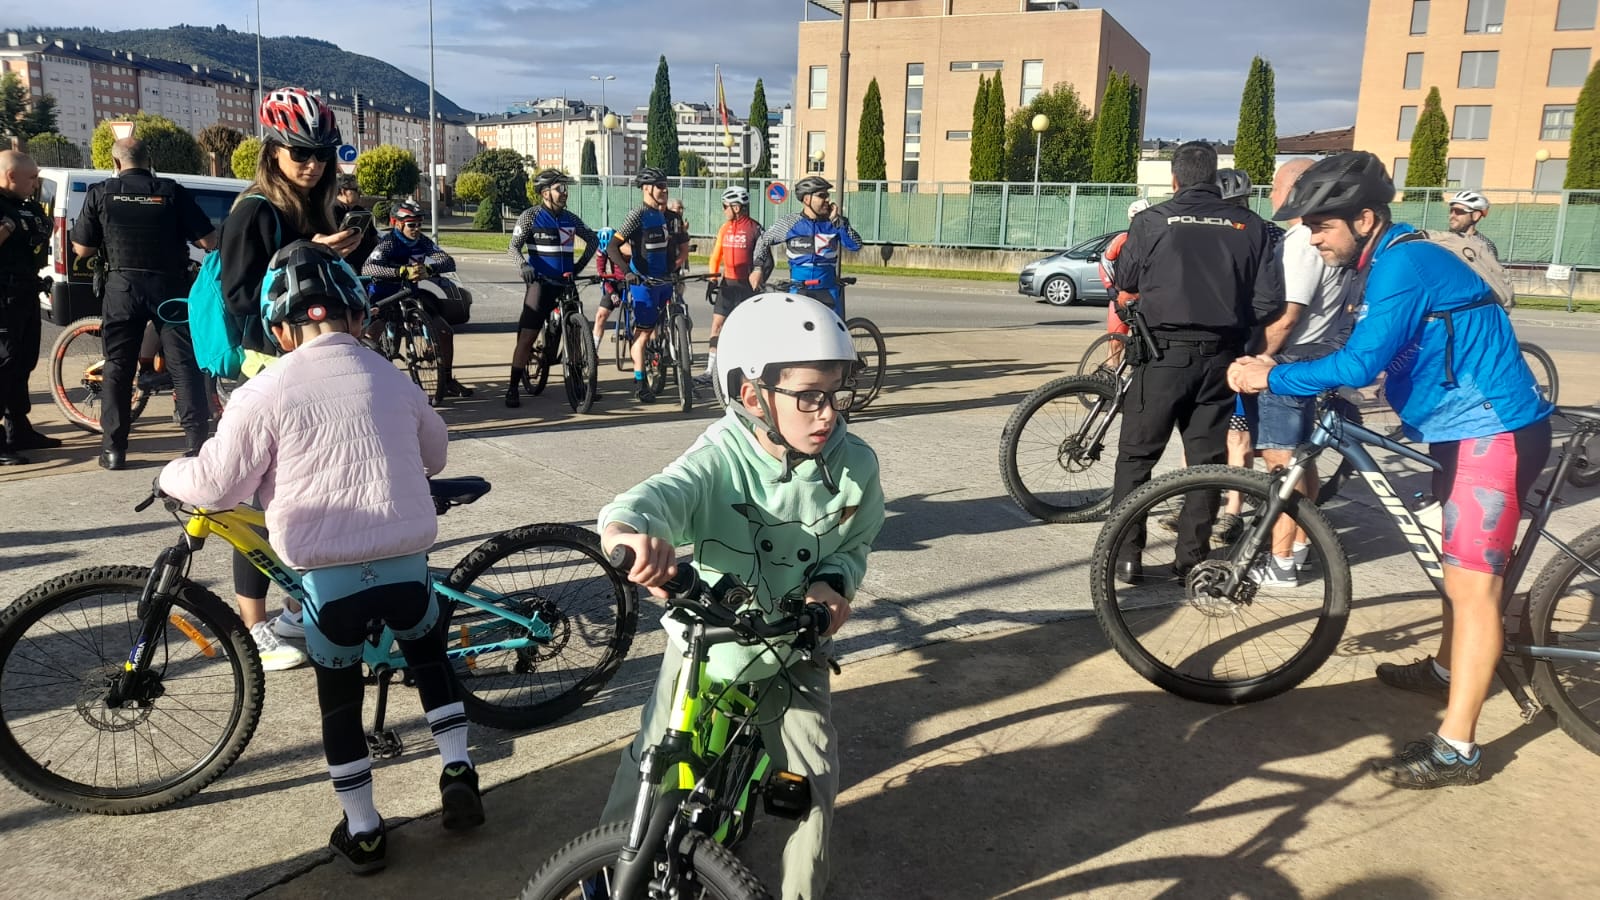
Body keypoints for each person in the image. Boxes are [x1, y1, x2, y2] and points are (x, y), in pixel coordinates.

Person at [1229, 151, 1553, 789]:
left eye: (1321, 225)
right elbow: (1390, 352)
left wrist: (1274, 374)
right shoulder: (1388, 258)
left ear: (1366, 218)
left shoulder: (1403, 262)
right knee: (1455, 570)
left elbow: (1356, 364)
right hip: (1464, 428)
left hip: (1492, 435)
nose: (1311, 236)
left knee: (1473, 588)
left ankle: (1458, 750)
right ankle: (1442, 670)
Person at [157, 240, 481, 873]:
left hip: (329, 585)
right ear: (358, 318)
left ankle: (363, 827)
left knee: (340, 700)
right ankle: (458, 769)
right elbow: (436, 457)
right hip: (406, 565)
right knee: (428, 658)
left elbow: (218, 485)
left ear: (280, 330)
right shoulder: (391, 375)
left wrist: (172, 472)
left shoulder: (267, 389)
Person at [597, 292, 884, 900]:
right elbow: (662, 494)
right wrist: (627, 532)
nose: (828, 413)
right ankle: (607, 875)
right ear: (752, 396)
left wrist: (834, 585)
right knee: (651, 762)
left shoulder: (855, 464)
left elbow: (851, 544)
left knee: (811, 781)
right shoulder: (721, 457)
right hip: (705, 645)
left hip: (791, 650)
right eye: (808, 396)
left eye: (835, 393)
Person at [219, 86, 361, 671]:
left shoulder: (310, 208)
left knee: (303, 493)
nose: (311, 164)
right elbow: (240, 298)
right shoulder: (256, 210)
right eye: (298, 152)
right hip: (260, 369)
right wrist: (305, 253)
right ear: (272, 151)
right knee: (254, 500)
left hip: (307, 367)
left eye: (321, 154)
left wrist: (340, 248)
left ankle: (294, 608)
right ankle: (253, 630)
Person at [1109, 141, 1284, 583]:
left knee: (1136, 457)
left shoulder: (1152, 221)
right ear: (1214, 178)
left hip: (1162, 354)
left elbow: (1126, 278)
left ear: (1174, 179)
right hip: (1222, 357)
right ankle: (1191, 557)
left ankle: (1126, 557)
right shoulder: (1251, 225)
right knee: (1205, 462)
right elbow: (1268, 301)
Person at [68, 138, 217, 469]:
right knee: (183, 365)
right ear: (149, 161)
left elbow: (82, 249)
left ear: (116, 162)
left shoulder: (100, 193)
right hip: (170, 288)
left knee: (118, 367)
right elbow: (208, 241)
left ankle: (113, 450)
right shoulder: (172, 191)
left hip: (122, 290)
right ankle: (196, 446)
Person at [1241, 157, 1353, 585]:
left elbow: (1288, 315)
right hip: (1315, 354)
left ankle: (1281, 560)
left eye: (1274, 185)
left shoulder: (1303, 240)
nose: (1270, 194)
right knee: (1302, 458)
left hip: (1289, 360)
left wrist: (1262, 361)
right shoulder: (1323, 237)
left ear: (1294, 189)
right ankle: (1304, 545)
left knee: (1280, 463)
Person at [503, 168, 598, 408]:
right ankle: (513, 387)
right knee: (528, 336)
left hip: (566, 283)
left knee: (576, 334)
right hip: (541, 284)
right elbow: (513, 248)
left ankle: (581, 385)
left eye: (565, 188)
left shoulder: (570, 218)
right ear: (545, 193)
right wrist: (524, 266)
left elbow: (593, 240)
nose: (564, 193)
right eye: (559, 189)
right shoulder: (531, 216)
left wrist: (578, 266)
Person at [362, 201, 471, 403]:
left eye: (420, 224)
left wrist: (429, 269)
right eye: (412, 225)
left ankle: (446, 380)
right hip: (385, 295)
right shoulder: (388, 243)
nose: (417, 229)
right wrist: (399, 271)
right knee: (370, 337)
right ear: (397, 224)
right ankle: (369, 385)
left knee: (445, 331)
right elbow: (368, 268)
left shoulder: (423, 241)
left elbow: (448, 261)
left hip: (411, 294)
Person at [606, 167, 688, 404]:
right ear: (646, 189)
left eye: (665, 185)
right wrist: (628, 272)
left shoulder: (663, 216)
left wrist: (674, 268)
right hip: (643, 284)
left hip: (663, 280)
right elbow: (612, 247)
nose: (664, 190)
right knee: (642, 337)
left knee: (663, 326)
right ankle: (640, 384)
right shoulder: (637, 214)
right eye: (660, 186)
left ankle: (666, 361)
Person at [0, 150, 52, 466]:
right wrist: (8, 228)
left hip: (25, 292)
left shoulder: (25, 205)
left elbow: (43, 228)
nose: (36, 184)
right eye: (31, 178)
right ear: (10, 176)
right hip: (2, 297)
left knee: (23, 362)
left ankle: (18, 429)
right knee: (3, 364)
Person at [752, 176, 862, 315]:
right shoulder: (790, 223)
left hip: (827, 291)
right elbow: (763, 240)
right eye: (822, 195)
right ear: (806, 199)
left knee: (833, 335)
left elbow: (855, 245)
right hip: (799, 292)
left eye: (827, 195)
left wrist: (836, 221)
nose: (827, 200)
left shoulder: (835, 223)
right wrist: (757, 268)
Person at [697, 185, 763, 389]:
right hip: (728, 283)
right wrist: (712, 278)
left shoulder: (755, 228)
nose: (723, 209)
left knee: (747, 329)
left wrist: (759, 274)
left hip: (747, 286)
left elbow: (764, 258)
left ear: (736, 207)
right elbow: (716, 255)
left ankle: (748, 369)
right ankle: (710, 370)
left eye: (725, 205)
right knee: (716, 325)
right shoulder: (724, 228)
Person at [333, 175, 379, 270]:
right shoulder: (331, 211)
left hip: (367, 265)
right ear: (343, 191)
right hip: (344, 265)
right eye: (355, 189)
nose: (359, 193)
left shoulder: (361, 210)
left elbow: (373, 237)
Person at [590, 226, 626, 349]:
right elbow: (601, 274)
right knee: (600, 315)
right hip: (616, 282)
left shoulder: (625, 245)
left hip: (633, 281)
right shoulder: (601, 250)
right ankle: (593, 351)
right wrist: (612, 292)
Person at [1445, 190, 1498, 260]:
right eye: (1451, 211)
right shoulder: (1443, 239)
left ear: (1476, 215)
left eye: (1459, 211)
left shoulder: (1486, 246)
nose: (1452, 216)